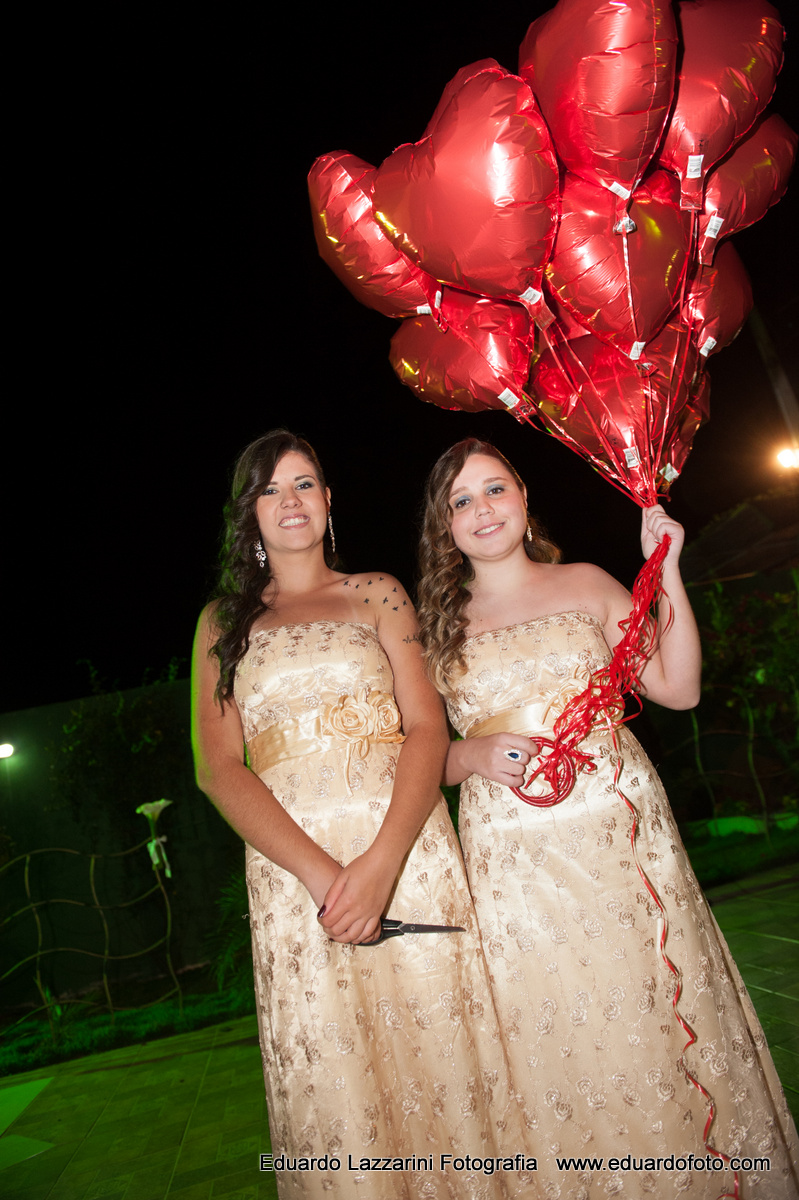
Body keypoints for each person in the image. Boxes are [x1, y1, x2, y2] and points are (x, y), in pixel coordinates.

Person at [416, 437, 799, 1199]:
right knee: (559, 1016)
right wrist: (472, 758)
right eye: (460, 501)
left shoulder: (586, 583)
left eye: (494, 489)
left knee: (657, 1005)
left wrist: (667, 570)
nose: (481, 510)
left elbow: (677, 687)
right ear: (443, 526)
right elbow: (421, 753)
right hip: (512, 853)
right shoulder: (430, 626)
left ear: (523, 499)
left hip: (620, 835)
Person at [191, 430, 536, 1200]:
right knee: (342, 1072)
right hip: (298, 881)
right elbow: (218, 769)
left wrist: (381, 866)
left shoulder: (378, 592)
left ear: (328, 501)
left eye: (305, 483)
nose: (291, 501)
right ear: (247, 512)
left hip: (408, 854)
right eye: (271, 489)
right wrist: (326, 880)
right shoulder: (221, 622)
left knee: (445, 1054)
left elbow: (425, 727)